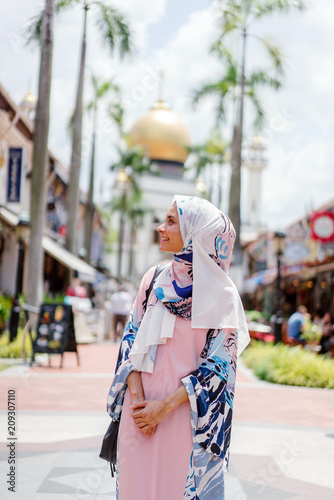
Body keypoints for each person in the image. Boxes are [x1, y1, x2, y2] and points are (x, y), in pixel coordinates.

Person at [106, 196, 250, 500]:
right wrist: (140, 404)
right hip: (140, 415)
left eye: (172, 221)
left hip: (185, 421)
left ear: (195, 233)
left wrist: (164, 407)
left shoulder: (221, 296)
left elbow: (219, 367)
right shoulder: (153, 279)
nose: (161, 227)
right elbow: (130, 340)